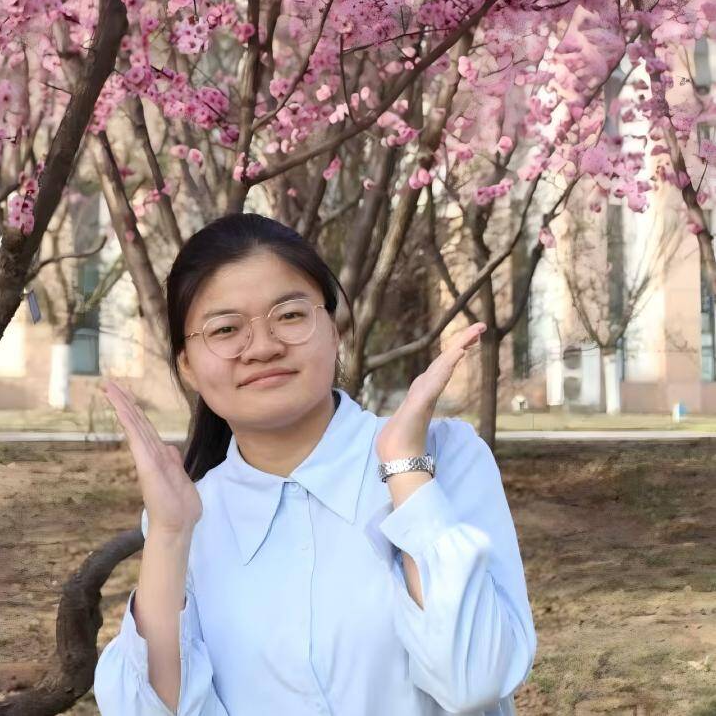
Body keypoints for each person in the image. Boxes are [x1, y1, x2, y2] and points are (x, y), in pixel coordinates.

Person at [93, 213, 536, 715]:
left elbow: (476, 681)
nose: (263, 347)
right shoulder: (186, 517)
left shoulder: (443, 457)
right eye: (226, 329)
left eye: (289, 316)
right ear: (188, 366)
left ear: (333, 330)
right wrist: (170, 534)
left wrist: (405, 468)